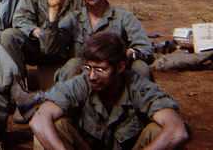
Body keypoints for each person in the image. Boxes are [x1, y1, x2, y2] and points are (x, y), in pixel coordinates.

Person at [30, 32, 188, 150]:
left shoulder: (138, 86)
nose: (92, 76)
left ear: (120, 67)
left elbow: (177, 131)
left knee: (158, 131)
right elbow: (39, 120)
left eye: (100, 69)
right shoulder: (81, 84)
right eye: (87, 68)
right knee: (54, 128)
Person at [39, 0, 154, 83]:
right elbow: (48, 49)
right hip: (85, 83)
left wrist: (131, 53)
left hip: (115, 81)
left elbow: (146, 48)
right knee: (74, 64)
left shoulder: (123, 17)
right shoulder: (74, 18)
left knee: (140, 67)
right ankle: (67, 100)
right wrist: (53, 10)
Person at [0, 0, 84, 81]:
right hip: (41, 47)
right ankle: (18, 85)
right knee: (8, 35)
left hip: (67, 50)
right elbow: (20, 18)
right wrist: (37, 32)